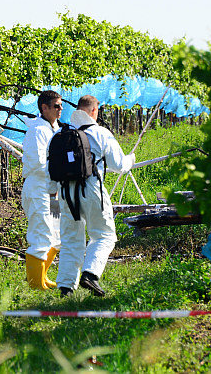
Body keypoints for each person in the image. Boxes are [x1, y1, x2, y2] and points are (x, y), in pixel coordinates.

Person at [49, 95, 135, 297]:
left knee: (71, 239)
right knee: (104, 234)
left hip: (65, 191)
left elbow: (50, 169)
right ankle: (90, 274)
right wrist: (131, 159)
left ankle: (66, 287)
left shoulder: (60, 134)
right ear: (94, 111)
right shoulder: (100, 133)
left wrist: (53, 198)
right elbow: (119, 165)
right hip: (91, 188)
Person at [21, 90, 63, 290]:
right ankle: (34, 284)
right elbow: (38, 163)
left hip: (53, 190)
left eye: (61, 105)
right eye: (56, 106)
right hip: (39, 189)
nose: (60, 109)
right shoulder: (37, 131)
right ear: (43, 108)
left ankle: (43, 276)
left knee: (55, 234)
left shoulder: (52, 129)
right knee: (41, 233)